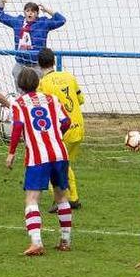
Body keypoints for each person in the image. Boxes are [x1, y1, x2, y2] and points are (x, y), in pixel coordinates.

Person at [5, 68, 73, 256]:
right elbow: (66, 121)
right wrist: (57, 136)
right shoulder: (52, 99)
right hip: (60, 153)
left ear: (19, 85)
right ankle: (65, 241)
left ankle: (36, 243)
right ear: (38, 82)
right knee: (61, 196)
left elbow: (18, 126)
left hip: (38, 157)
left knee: (32, 198)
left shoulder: (18, 103)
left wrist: (11, 152)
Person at [37, 48, 84, 212]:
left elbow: (41, 111)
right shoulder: (69, 76)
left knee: (52, 165)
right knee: (65, 164)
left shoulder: (43, 84)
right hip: (79, 128)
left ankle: (61, 199)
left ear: (39, 64)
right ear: (54, 61)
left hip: (63, 129)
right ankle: (73, 198)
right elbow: (80, 99)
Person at [0, 0, 65, 88]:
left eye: (33, 11)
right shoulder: (18, 22)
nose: (30, 13)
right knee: (22, 95)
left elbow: (61, 20)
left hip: (37, 66)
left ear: (37, 13)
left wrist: (47, 10)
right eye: (27, 11)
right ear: (24, 12)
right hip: (20, 65)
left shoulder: (43, 23)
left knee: (39, 92)